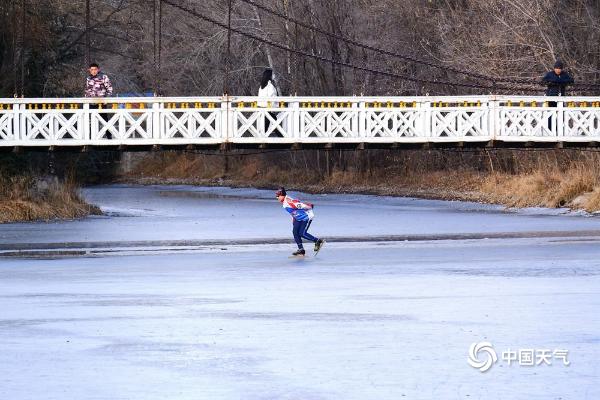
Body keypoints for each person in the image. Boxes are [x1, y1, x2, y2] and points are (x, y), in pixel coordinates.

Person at [276, 187, 324, 257]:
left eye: (278, 196)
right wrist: (294, 219)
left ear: (282, 195)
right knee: (295, 232)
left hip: (306, 217)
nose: (277, 198)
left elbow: (299, 204)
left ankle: (318, 241)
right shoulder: (284, 202)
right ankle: (301, 250)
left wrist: (309, 206)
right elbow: (293, 211)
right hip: (298, 218)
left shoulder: (288, 201)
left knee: (302, 233)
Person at [85, 63, 113, 138]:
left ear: (98, 69)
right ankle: (91, 137)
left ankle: (109, 136)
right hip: (92, 102)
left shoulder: (104, 77)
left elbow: (109, 89)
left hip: (101, 102)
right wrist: (86, 100)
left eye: (95, 69)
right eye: (92, 70)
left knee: (104, 119)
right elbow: (87, 90)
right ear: (89, 70)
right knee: (91, 119)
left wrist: (106, 99)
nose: (93, 71)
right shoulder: (88, 78)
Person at [258, 69, 281, 137]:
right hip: (268, 108)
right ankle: (282, 137)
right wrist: (275, 108)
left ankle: (262, 138)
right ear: (269, 75)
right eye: (273, 74)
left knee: (269, 123)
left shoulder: (262, 86)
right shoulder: (270, 86)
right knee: (274, 123)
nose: (274, 76)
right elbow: (272, 98)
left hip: (263, 108)